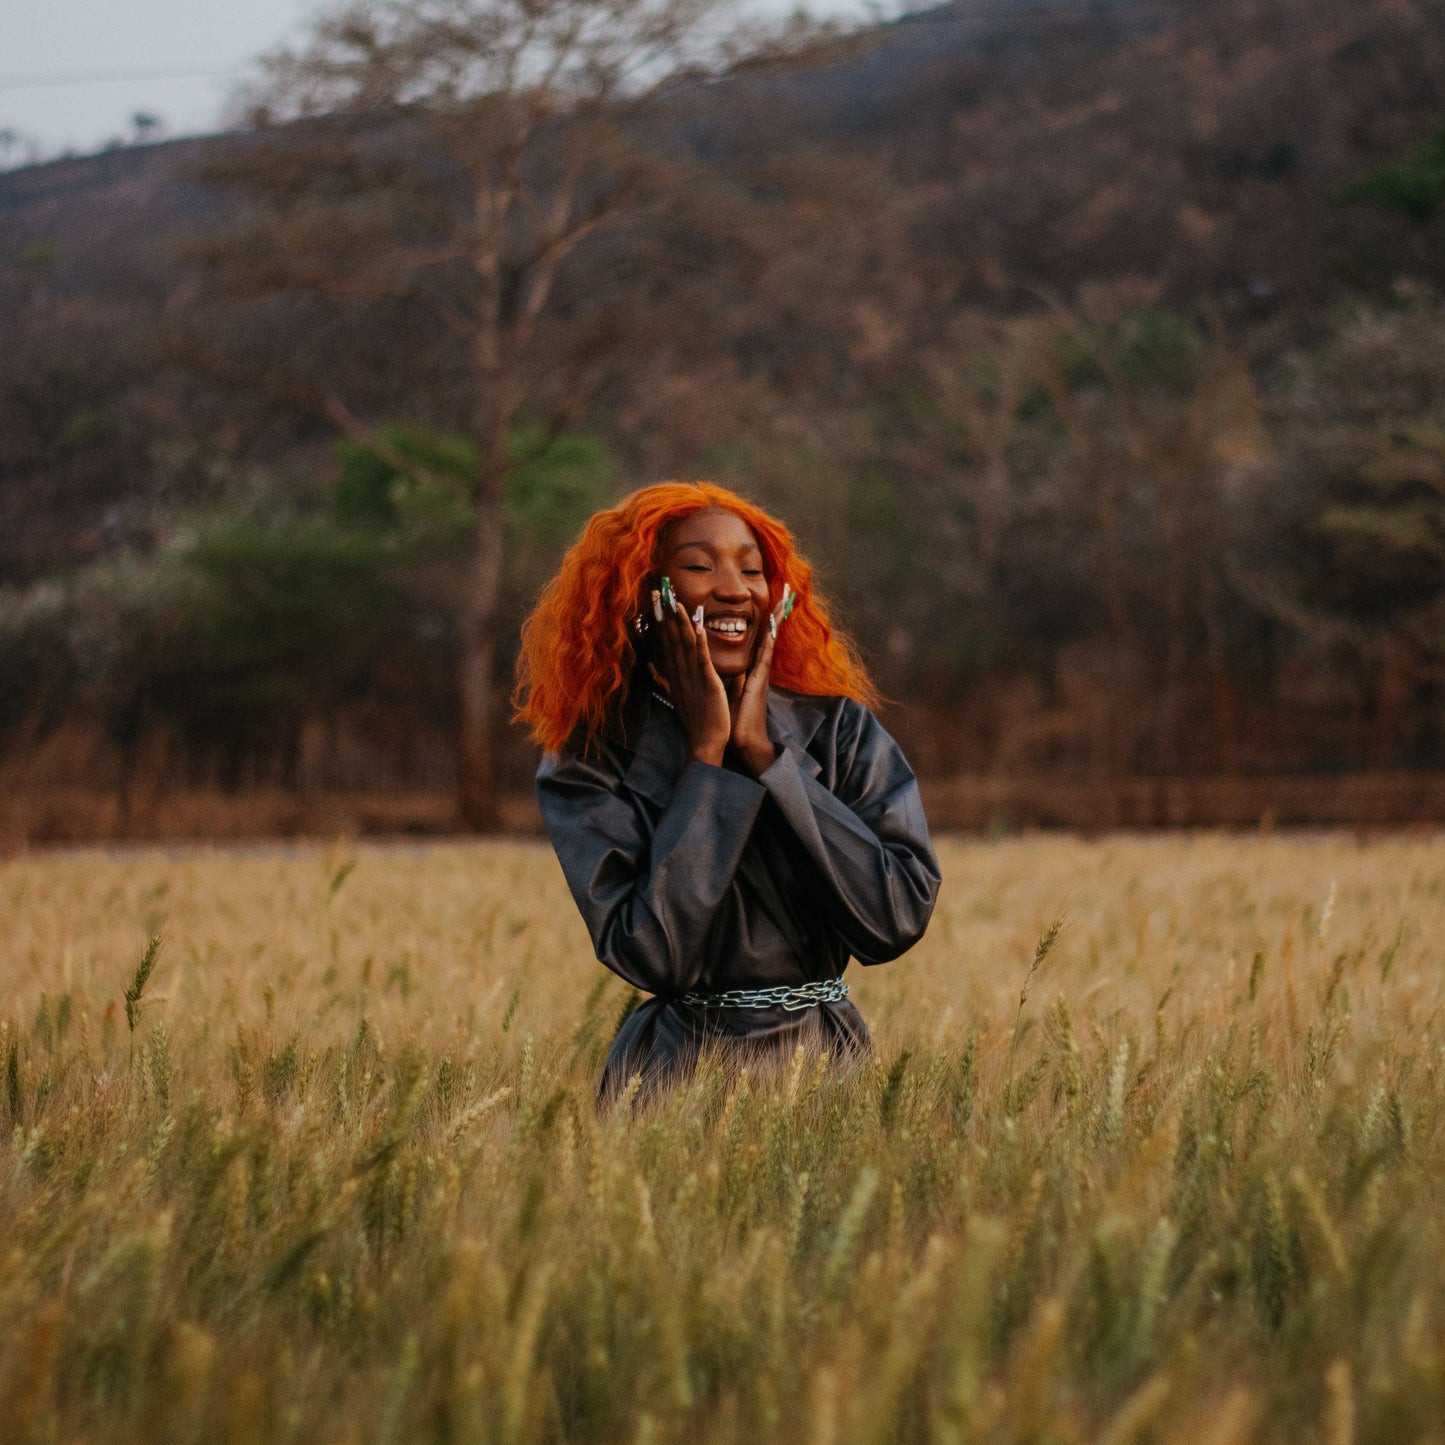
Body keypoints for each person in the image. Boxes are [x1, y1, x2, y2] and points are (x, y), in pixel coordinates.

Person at [513, 481, 941, 1104]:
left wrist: (769, 759)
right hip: (672, 1082)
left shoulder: (840, 731)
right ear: (643, 595)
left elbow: (894, 918)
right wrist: (706, 756)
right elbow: (654, 955)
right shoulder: (590, 758)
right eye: (696, 566)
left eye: (752, 570)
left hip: (827, 1072)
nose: (734, 589)